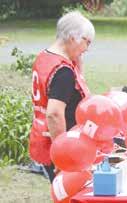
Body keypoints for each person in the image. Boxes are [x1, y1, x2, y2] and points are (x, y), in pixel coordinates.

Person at [29, 11, 94, 182]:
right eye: (87, 42)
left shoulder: (45, 56)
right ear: (73, 38)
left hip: (42, 136)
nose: (87, 49)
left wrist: (78, 64)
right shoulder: (63, 71)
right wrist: (62, 155)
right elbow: (55, 113)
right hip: (60, 143)